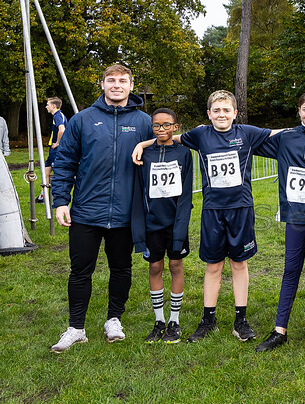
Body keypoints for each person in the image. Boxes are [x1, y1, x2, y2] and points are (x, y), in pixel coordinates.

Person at [132, 89, 277, 344]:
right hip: (212, 210)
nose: (222, 114)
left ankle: (240, 320)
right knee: (213, 265)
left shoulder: (247, 133)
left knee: (239, 264)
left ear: (235, 113)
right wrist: (143, 144)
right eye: (217, 110)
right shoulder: (200, 135)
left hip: (241, 208)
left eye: (227, 110)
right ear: (209, 114)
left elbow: (278, 134)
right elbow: (170, 137)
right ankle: (208, 319)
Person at [50, 64, 153, 353]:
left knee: (121, 267)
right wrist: (60, 201)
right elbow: (65, 162)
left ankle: (114, 319)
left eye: (123, 80)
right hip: (86, 211)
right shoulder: (83, 120)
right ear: (102, 84)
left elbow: (163, 153)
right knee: (80, 270)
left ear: (132, 85)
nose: (117, 85)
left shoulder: (144, 122)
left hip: (125, 213)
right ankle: (76, 327)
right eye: (111, 80)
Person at [254, 91, 305, 352]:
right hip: (295, 214)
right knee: (291, 269)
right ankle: (280, 329)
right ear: (298, 111)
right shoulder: (286, 138)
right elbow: (251, 140)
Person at [132, 108, 193, 344]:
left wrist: (181, 225)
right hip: (152, 224)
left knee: (176, 265)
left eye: (166, 125)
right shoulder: (144, 154)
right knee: (155, 267)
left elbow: (186, 195)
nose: (161, 130)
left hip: (176, 222)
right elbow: (139, 192)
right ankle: (159, 320)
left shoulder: (184, 153)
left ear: (175, 127)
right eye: (156, 126)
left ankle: (174, 321)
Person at [36, 97, 67, 203]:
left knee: (58, 173)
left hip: (57, 150)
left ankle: (59, 197)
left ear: (54, 106)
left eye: (48, 104)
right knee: (46, 172)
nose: (46, 106)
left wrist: (57, 143)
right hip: (52, 150)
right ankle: (43, 196)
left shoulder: (58, 116)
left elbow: (62, 130)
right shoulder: (57, 116)